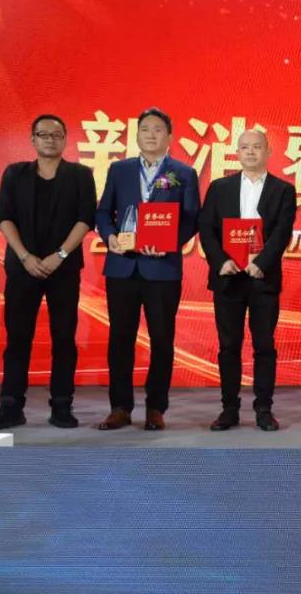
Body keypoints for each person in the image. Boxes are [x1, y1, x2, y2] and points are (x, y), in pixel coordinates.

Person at [0, 115, 96, 430]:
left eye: (56, 135)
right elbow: (4, 218)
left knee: (64, 338)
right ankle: (10, 406)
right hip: (23, 268)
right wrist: (25, 256)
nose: (50, 140)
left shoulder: (80, 175)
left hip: (63, 269)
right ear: (32, 139)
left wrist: (60, 255)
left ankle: (61, 405)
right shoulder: (15, 173)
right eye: (43, 134)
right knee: (18, 337)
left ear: (65, 140)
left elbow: (86, 219)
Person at [94, 107, 200, 431]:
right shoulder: (120, 170)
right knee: (120, 338)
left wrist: (170, 243)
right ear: (136, 135)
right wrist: (110, 237)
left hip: (162, 269)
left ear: (169, 136)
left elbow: (192, 218)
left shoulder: (184, 173)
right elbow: (103, 212)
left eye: (158, 129)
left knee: (162, 339)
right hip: (122, 267)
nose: (151, 135)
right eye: (145, 129)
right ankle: (120, 407)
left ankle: (156, 407)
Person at [199, 130, 296, 432]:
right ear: (237, 152)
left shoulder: (283, 190)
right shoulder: (220, 187)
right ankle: (229, 409)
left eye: (257, 147)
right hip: (228, 278)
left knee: (264, 345)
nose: (250, 152)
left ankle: (264, 409)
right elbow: (206, 229)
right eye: (245, 147)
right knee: (229, 346)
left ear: (268, 152)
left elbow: (282, 232)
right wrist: (220, 261)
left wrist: (261, 262)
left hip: (262, 278)